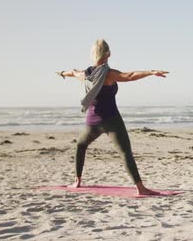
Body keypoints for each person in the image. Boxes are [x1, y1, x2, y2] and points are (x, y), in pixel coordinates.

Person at [56, 39, 169, 195]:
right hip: (111, 121)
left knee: (81, 145)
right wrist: (150, 72)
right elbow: (129, 76)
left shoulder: (85, 74)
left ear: (93, 54)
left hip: (92, 122)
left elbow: (72, 71)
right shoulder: (108, 74)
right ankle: (140, 188)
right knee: (124, 152)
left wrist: (62, 73)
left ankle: (77, 181)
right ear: (109, 54)